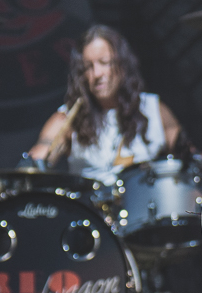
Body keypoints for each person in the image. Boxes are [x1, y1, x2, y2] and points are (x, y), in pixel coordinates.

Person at [27, 24, 183, 184]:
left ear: (122, 65)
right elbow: (37, 160)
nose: (97, 74)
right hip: (89, 206)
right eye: (88, 67)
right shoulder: (69, 118)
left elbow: (190, 160)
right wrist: (33, 164)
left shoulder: (154, 109)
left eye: (104, 62)